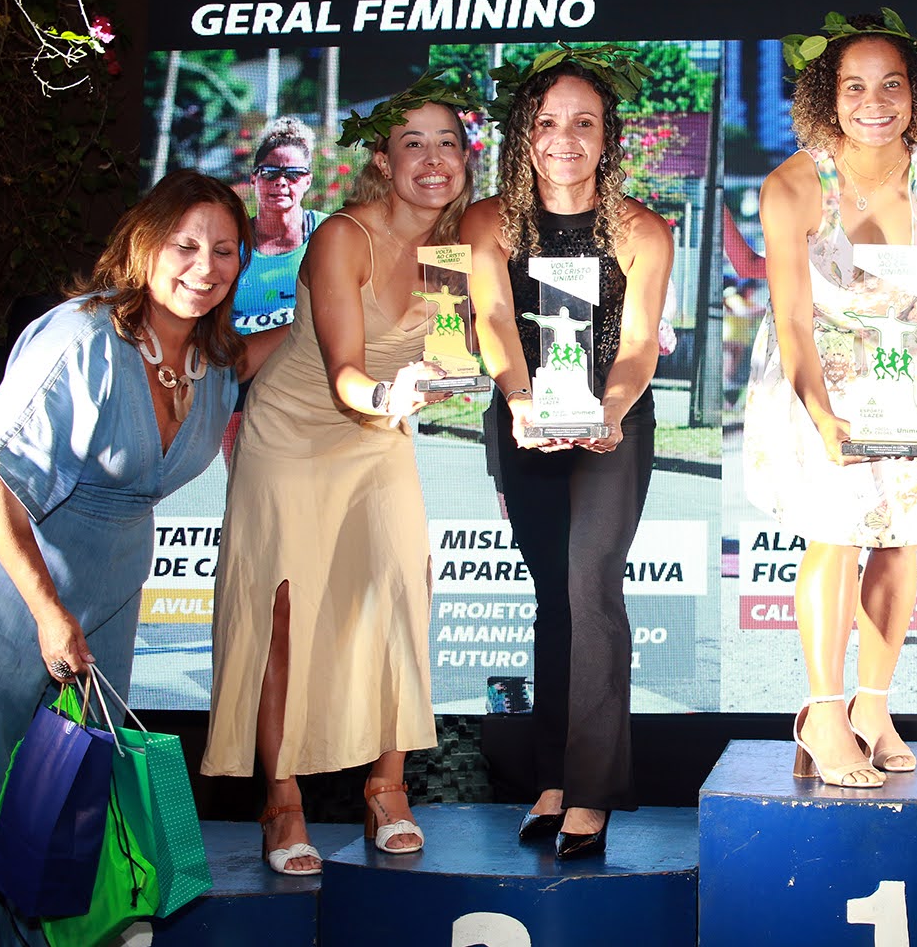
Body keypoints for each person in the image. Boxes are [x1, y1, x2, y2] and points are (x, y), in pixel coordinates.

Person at [0, 170, 272, 945]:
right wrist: (48, 613)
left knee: (61, 806)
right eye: (185, 245)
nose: (205, 265)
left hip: (106, 600)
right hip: (6, 592)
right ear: (142, 244)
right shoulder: (84, 337)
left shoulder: (209, 358)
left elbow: (289, 345)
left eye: (224, 251)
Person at [202, 74, 481, 873]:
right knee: (286, 617)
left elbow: (453, 365)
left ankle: (386, 789)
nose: (433, 160)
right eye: (412, 144)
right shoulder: (342, 238)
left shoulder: (451, 249)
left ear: (465, 159)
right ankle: (281, 803)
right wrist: (388, 394)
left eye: (447, 143)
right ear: (384, 163)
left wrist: (500, 383)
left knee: (402, 588)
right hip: (295, 433)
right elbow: (343, 373)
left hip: (379, 434)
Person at [743, 11, 917, 789]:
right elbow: (789, 317)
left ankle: (872, 707)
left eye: (891, 85)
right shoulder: (792, 184)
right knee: (834, 535)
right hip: (816, 375)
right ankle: (822, 709)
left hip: (908, 376)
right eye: (854, 86)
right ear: (827, 94)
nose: (873, 101)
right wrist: (822, 416)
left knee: (901, 539)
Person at [461, 46, 672, 860]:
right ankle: (552, 775)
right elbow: (491, 323)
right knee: (555, 597)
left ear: (607, 135)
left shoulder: (643, 228)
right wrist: (519, 404)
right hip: (523, 421)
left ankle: (591, 792)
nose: (565, 139)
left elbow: (644, 342)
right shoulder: (488, 221)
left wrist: (611, 410)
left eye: (584, 123)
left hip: (614, 424)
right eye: (548, 123)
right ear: (525, 133)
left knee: (592, 590)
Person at [222, 116, 329, 461]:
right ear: (254, 179)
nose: (281, 182)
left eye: (293, 174)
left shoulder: (329, 234)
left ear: (308, 181)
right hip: (241, 383)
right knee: (245, 484)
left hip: (310, 380)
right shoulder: (230, 243)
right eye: (270, 173)